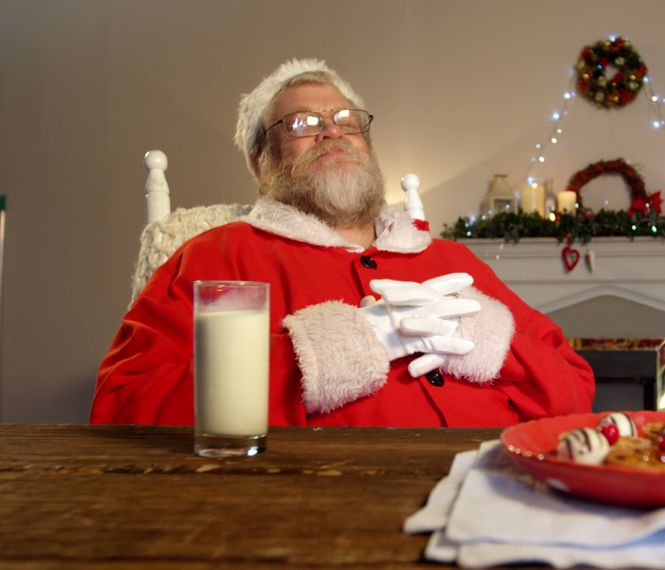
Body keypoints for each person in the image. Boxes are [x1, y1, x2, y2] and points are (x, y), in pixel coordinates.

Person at [91, 59, 595, 427]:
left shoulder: (449, 259)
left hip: (492, 493)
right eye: (302, 124)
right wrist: (330, 351)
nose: (331, 132)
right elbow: (123, 405)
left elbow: (574, 391)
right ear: (259, 161)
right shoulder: (213, 257)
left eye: (346, 120)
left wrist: (488, 340)